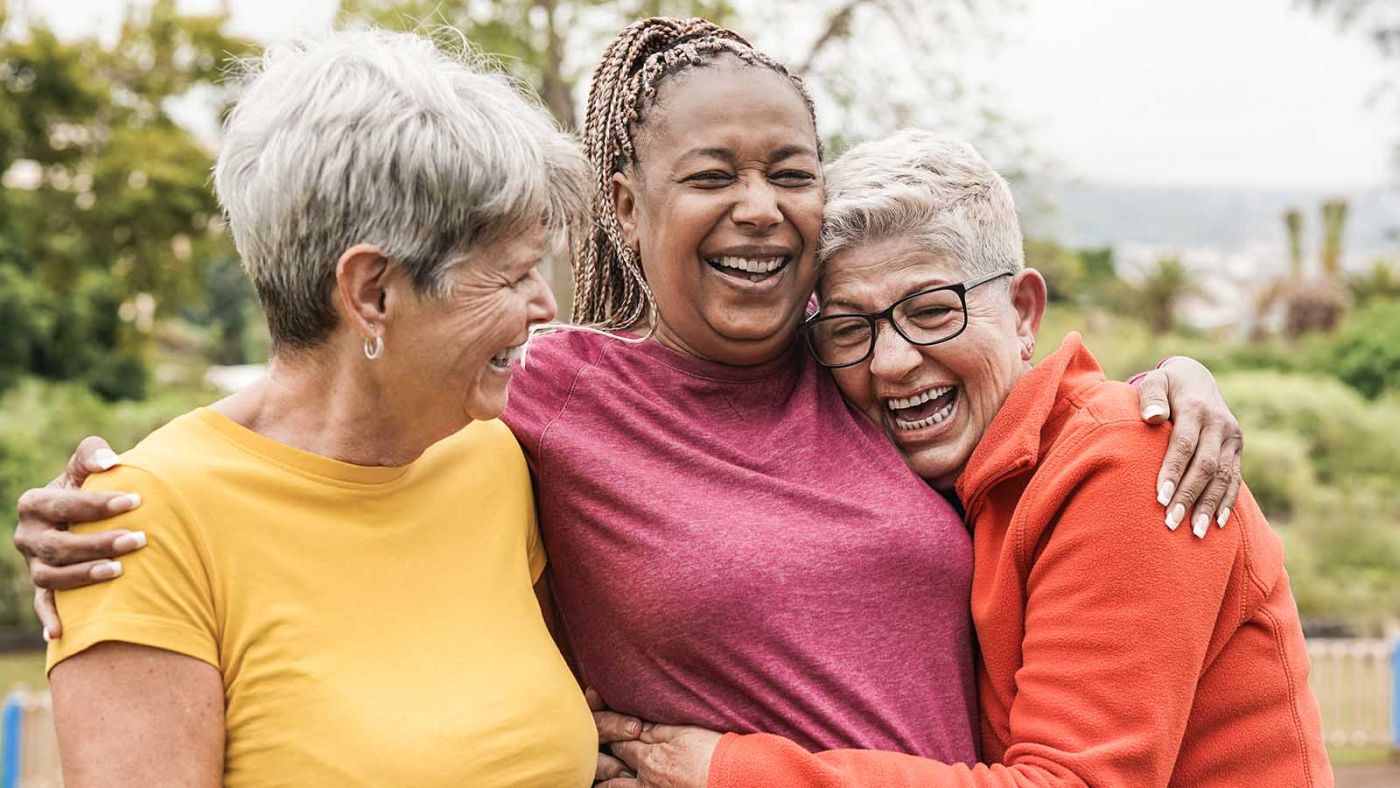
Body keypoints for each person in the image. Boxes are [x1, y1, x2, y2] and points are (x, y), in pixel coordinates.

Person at [15, 18, 1245, 775]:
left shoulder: (861, 365)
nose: (760, 207)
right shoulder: (538, 408)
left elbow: (1006, 394)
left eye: (791, 173)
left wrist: (1166, 389)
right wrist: (114, 500)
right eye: (710, 174)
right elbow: (311, 418)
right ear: (620, 206)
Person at [598, 131, 1332, 788]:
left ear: (1023, 313)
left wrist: (726, 769)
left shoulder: (1128, 464)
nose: (890, 362)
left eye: (931, 311)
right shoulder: (953, 478)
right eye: (851, 327)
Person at [30, 30, 598, 786]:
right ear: (373, 293)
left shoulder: (494, 451)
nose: (543, 305)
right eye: (512, 275)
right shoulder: (143, 525)